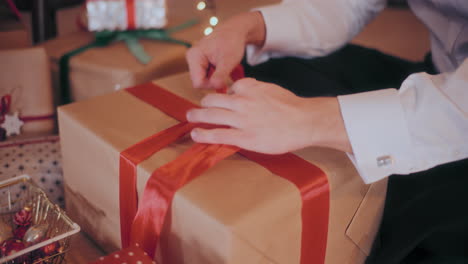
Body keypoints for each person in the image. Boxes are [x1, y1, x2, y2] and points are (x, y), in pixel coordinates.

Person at [185, 0, 468, 263]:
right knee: (267, 65)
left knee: (396, 235)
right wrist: (248, 27)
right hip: (434, 74)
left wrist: (309, 119)